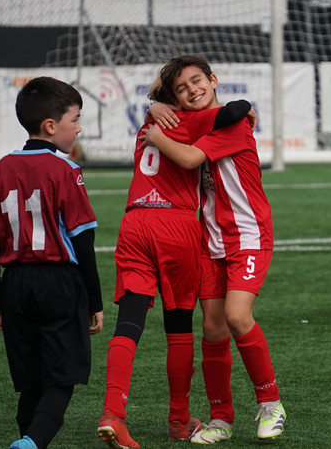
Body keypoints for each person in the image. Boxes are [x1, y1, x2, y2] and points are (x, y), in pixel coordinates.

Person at [96, 76, 255, 449]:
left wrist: (152, 107)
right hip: (176, 226)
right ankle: (179, 421)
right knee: (179, 327)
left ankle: (112, 414)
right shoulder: (193, 120)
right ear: (177, 103)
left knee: (129, 323)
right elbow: (232, 110)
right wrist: (247, 108)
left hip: (134, 223)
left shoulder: (147, 125)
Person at [140, 55, 286, 444]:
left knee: (238, 317)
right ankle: (221, 418)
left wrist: (156, 135)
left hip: (248, 234)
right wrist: (152, 106)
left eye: (197, 81)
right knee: (212, 327)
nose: (192, 90)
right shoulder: (189, 122)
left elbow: (188, 157)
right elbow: (167, 117)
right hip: (210, 241)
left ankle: (270, 403)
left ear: (214, 80)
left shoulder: (232, 121)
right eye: (182, 89)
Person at [0, 76, 104, 449]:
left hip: (15, 284)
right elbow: (84, 243)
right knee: (60, 379)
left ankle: (28, 439)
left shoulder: (1, 169)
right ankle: (31, 443)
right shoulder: (67, 171)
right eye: (75, 118)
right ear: (51, 126)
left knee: (31, 380)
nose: (79, 127)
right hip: (58, 284)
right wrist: (94, 302)